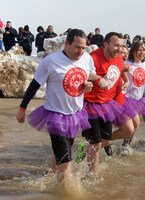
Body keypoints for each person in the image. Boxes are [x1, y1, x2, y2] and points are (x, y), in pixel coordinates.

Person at [16, 29, 100, 188]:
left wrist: (90, 84)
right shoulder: (50, 61)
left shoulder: (87, 59)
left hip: (75, 114)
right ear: (67, 43)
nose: (80, 51)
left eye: (83, 48)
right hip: (55, 116)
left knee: (63, 152)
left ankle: (50, 175)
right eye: (77, 47)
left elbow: (91, 77)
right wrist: (22, 107)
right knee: (66, 164)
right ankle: (64, 192)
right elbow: (35, 84)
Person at [76, 32, 128, 170]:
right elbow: (80, 71)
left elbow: (123, 69)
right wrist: (97, 79)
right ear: (106, 44)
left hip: (106, 104)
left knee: (106, 140)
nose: (119, 48)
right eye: (116, 45)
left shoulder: (117, 58)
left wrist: (126, 81)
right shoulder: (93, 57)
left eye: (121, 45)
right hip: (89, 105)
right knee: (96, 144)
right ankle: (92, 176)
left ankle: (83, 149)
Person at [121, 42, 145, 148]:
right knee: (135, 124)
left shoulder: (143, 64)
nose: (141, 52)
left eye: (143, 50)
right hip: (127, 99)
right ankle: (107, 142)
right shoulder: (127, 64)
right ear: (133, 52)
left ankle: (125, 145)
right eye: (139, 50)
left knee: (134, 127)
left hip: (138, 99)